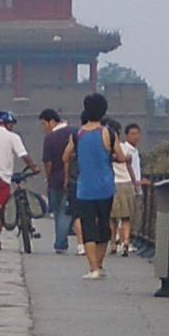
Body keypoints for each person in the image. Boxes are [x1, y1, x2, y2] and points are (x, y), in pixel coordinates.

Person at [63, 93, 119, 278]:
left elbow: (65, 156)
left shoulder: (77, 134)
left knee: (88, 226)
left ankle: (92, 268)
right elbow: (119, 156)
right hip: (105, 187)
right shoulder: (109, 133)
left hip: (85, 187)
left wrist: (79, 157)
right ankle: (100, 264)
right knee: (104, 225)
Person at [0, 110, 40, 251]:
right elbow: (24, 156)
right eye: (11, 123)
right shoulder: (13, 137)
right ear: (5, 123)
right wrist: (33, 168)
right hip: (2, 177)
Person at [38, 108, 76, 253]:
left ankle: (60, 243)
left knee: (60, 213)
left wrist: (48, 178)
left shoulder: (50, 138)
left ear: (52, 121)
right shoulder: (75, 132)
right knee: (69, 212)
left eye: (44, 124)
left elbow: (48, 163)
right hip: (75, 178)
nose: (44, 128)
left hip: (56, 179)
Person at [110, 123, 145, 254]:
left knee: (112, 218)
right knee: (126, 217)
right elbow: (130, 168)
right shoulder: (125, 149)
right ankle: (126, 241)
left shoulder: (107, 150)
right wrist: (136, 183)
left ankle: (113, 243)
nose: (136, 137)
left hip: (112, 184)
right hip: (126, 184)